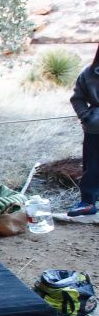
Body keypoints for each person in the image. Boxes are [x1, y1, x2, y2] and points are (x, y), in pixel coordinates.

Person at [67, 45, 99, 217]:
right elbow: (77, 98)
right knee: (93, 165)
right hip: (96, 128)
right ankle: (88, 202)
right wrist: (87, 117)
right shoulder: (90, 73)